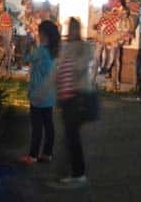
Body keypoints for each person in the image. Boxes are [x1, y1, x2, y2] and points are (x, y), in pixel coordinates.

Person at [50, 17, 94, 189]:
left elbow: (80, 67)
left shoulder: (84, 47)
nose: (72, 31)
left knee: (72, 136)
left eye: (74, 28)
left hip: (78, 96)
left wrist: (69, 59)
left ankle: (77, 173)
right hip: (65, 96)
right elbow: (59, 70)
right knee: (70, 136)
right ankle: (72, 172)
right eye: (71, 28)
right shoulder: (66, 47)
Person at [20, 19, 59, 165]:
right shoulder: (55, 51)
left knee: (37, 127)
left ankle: (33, 156)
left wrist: (26, 47)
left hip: (38, 94)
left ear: (43, 34)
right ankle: (47, 154)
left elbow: (25, 59)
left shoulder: (40, 51)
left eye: (39, 32)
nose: (38, 34)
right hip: (49, 94)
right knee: (48, 125)